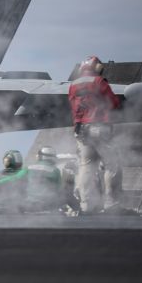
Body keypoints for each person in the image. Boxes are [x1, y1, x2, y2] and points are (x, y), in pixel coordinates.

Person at [68, 55, 122, 214]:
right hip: (98, 128)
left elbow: (73, 105)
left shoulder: (73, 85)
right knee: (112, 165)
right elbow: (113, 103)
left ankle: (86, 205)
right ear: (96, 67)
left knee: (86, 168)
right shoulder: (99, 82)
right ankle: (111, 203)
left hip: (81, 131)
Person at [26, 146, 76, 212]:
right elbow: (59, 189)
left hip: (29, 204)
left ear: (40, 156)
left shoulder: (28, 168)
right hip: (47, 205)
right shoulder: (54, 170)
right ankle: (82, 212)